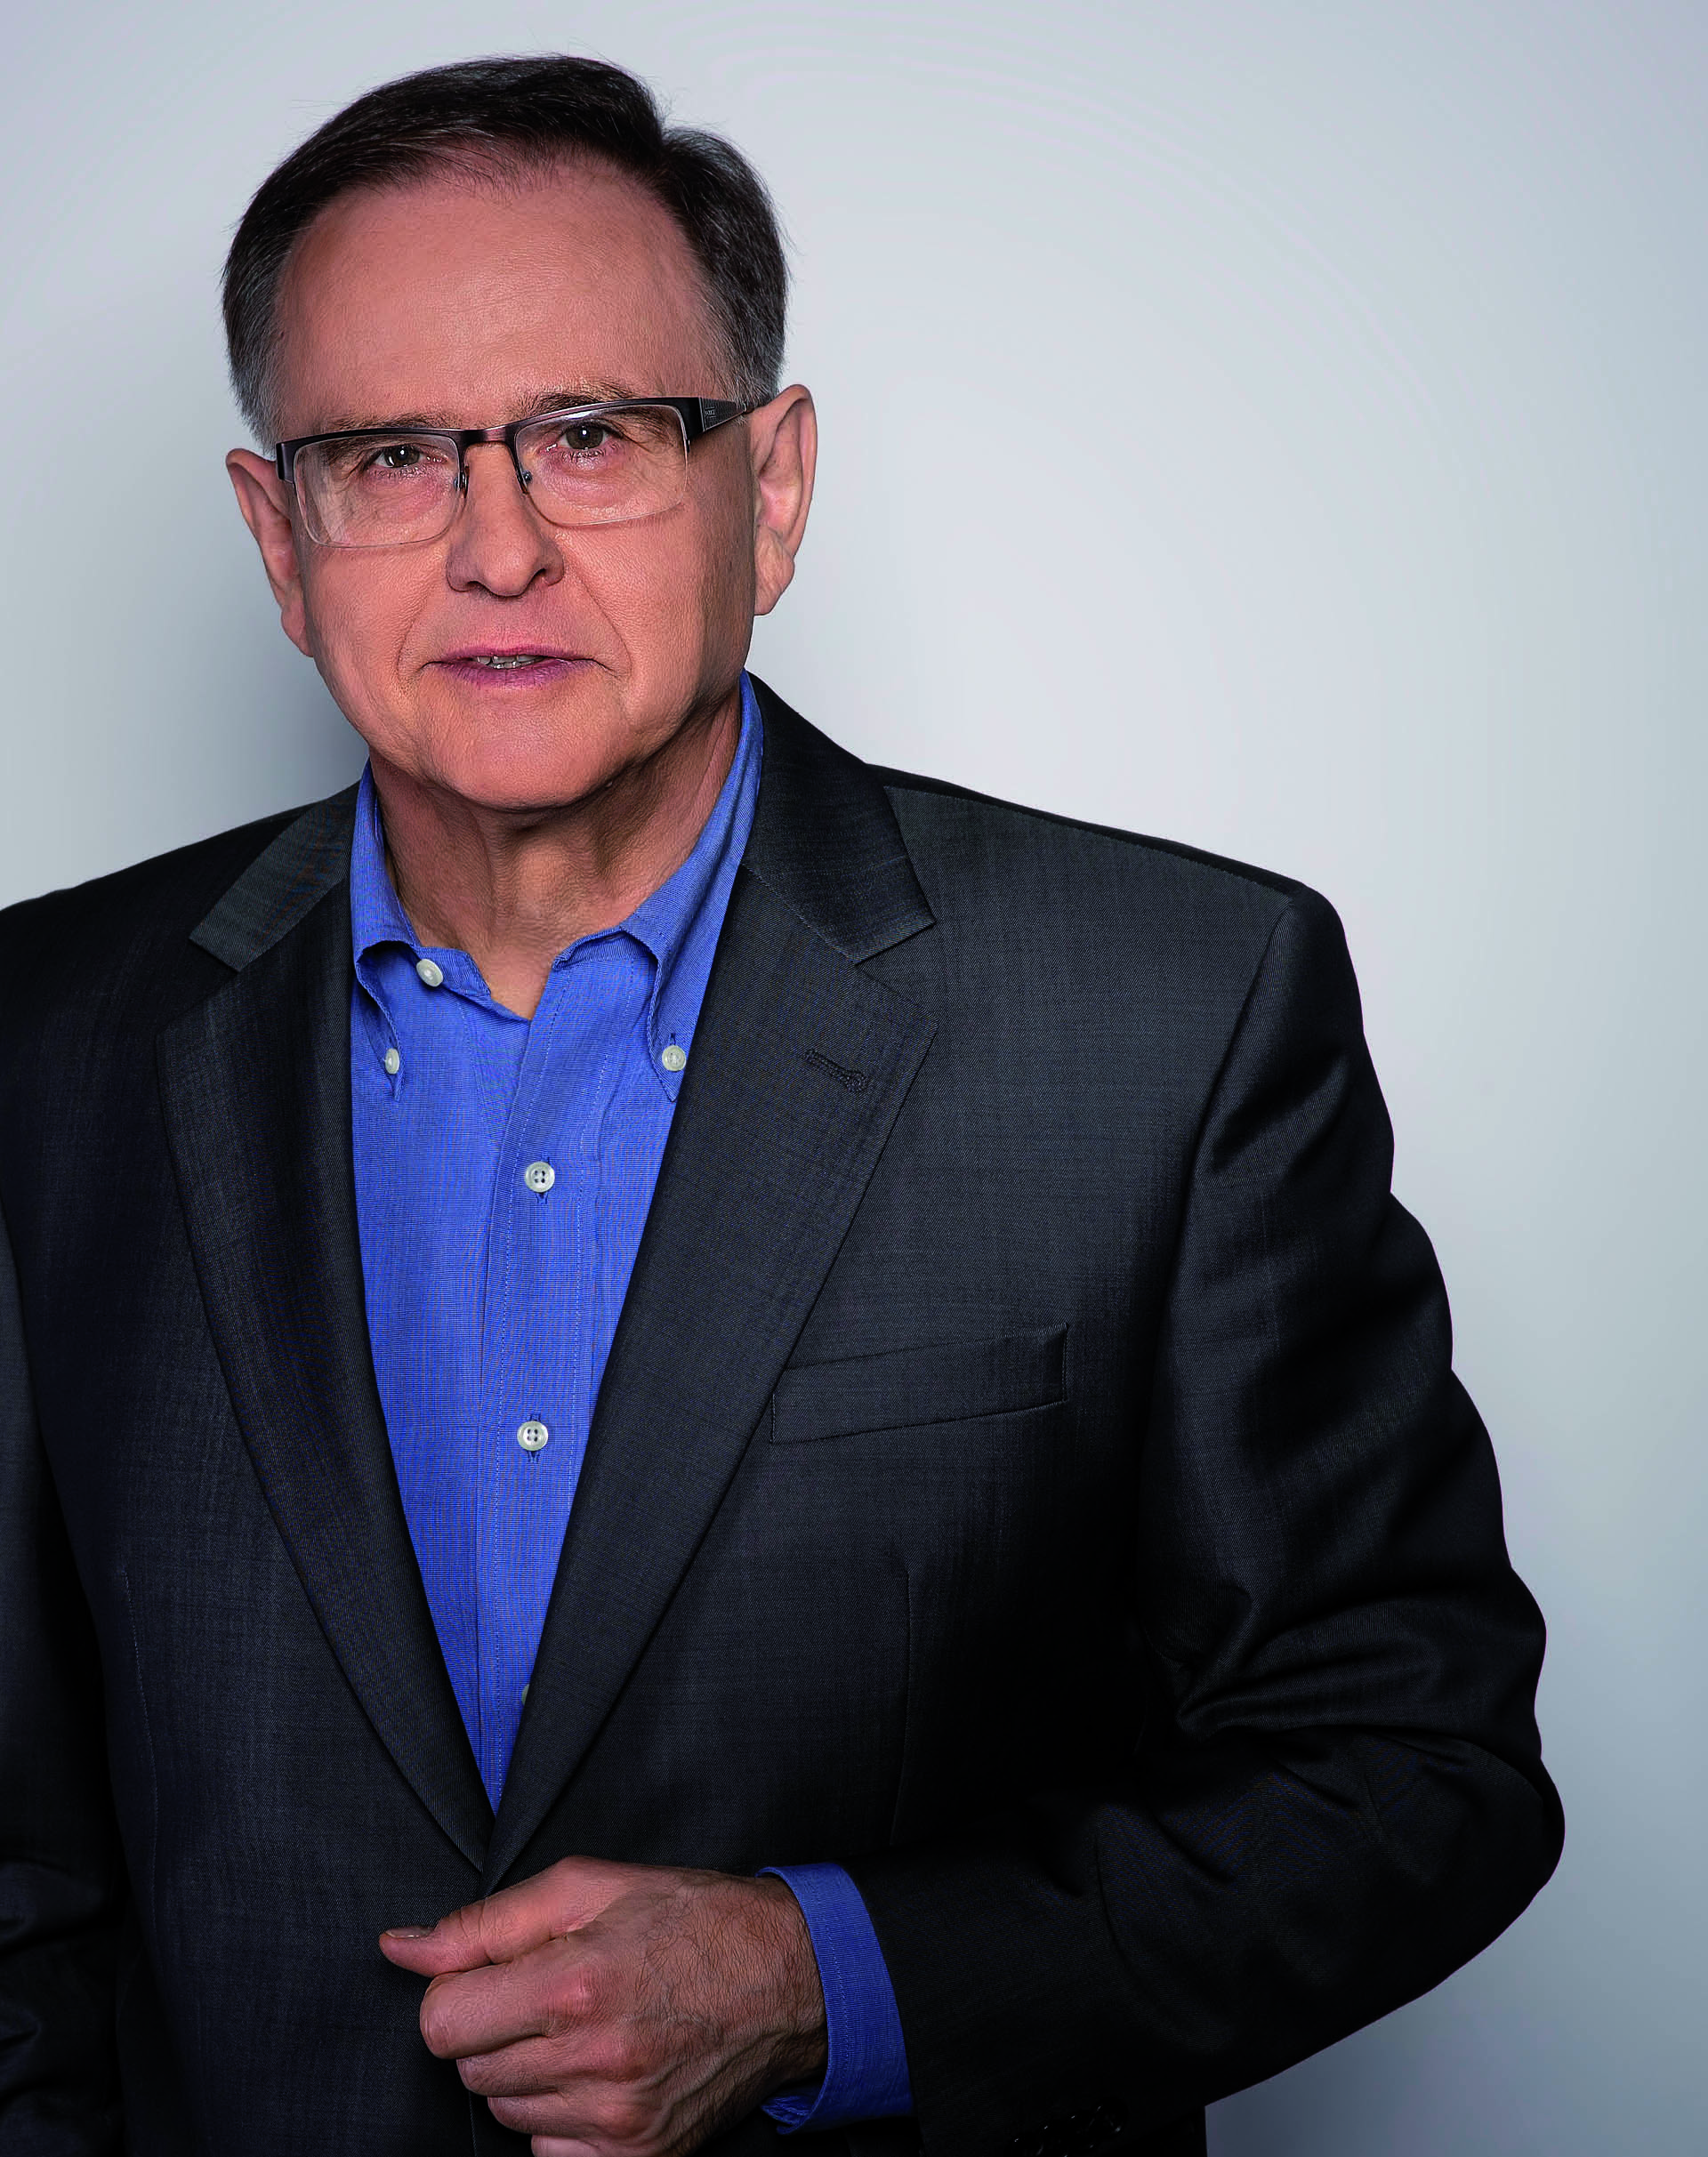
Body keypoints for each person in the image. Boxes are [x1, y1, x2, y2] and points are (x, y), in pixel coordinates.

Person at [0, 52, 1561, 2157]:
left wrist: (828, 1980)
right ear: (281, 540)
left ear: (778, 485)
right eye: (390, 457)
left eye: (592, 436)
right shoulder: (46, 1041)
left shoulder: (1168, 1015)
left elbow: (1413, 1773)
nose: (496, 549)